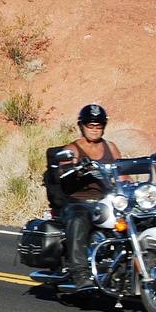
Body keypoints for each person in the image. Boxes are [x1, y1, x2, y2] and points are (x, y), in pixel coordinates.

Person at [52, 103, 122, 291]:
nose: (94, 130)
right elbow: (61, 170)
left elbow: (123, 173)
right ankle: (80, 273)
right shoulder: (73, 149)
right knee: (78, 220)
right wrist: (72, 167)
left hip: (107, 202)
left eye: (98, 126)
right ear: (82, 126)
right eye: (90, 126)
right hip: (78, 202)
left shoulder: (111, 148)